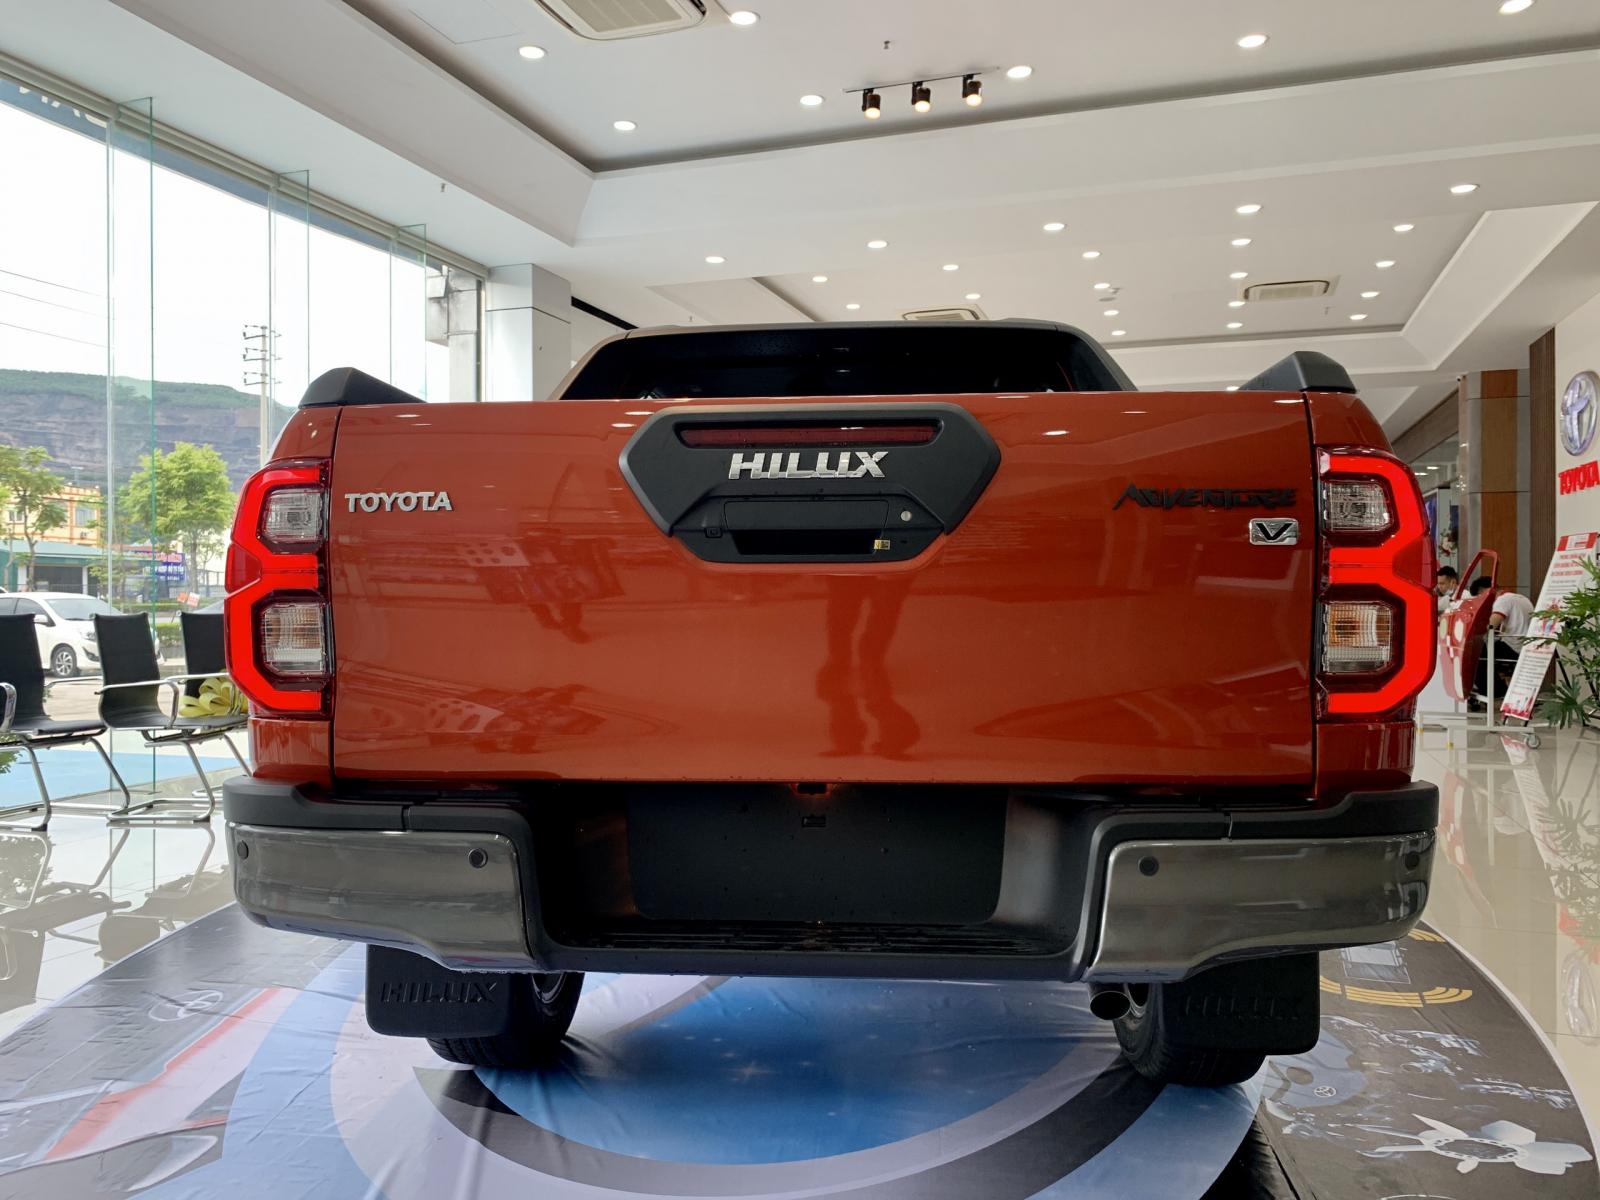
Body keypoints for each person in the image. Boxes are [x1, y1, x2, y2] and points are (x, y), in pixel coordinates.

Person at [1467, 576, 1535, 706]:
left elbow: (1491, 625)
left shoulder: (1502, 601)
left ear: (1485, 592)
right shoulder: (1521, 598)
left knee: (1476, 653)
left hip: (1514, 646)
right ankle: (1496, 686)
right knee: (1488, 648)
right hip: (1526, 646)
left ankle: (1494, 690)